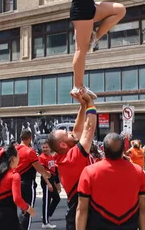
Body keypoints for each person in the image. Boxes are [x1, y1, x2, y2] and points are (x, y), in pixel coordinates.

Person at [76, 132, 145, 230]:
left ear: (103, 149)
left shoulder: (89, 172)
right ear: (123, 150)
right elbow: (142, 211)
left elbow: (81, 210)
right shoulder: (138, 172)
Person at [47, 90, 97, 230]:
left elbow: (77, 130)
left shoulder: (64, 153)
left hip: (84, 209)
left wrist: (82, 105)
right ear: (63, 144)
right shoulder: (71, 158)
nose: (71, 133)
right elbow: (89, 128)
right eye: (67, 134)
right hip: (81, 212)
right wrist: (89, 103)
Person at [0, 145, 35, 230]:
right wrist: (28, 208)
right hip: (7, 217)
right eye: (18, 155)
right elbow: (17, 199)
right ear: (13, 158)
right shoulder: (14, 176)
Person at [16, 130, 52, 230]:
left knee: (21, 209)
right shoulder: (29, 151)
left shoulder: (15, 149)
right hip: (27, 183)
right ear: (30, 138)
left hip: (15, 182)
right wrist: (46, 173)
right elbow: (38, 167)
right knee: (28, 210)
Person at [39, 142, 61, 228]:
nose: (44, 149)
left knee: (57, 198)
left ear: (50, 148)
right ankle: (45, 223)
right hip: (46, 180)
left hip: (52, 179)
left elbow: (54, 171)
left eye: (46, 147)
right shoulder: (41, 157)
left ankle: (46, 215)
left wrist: (56, 184)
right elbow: (42, 172)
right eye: (43, 147)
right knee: (46, 201)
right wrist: (48, 184)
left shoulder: (51, 157)